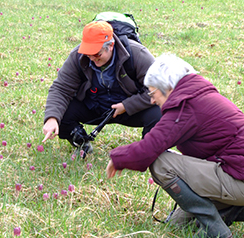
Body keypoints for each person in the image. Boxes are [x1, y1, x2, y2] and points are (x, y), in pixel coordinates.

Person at [106, 54, 244, 238]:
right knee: (177, 225)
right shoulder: (196, 96)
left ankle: (215, 231)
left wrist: (118, 158)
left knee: (160, 162)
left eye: (152, 93)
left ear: (168, 87)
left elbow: (149, 149)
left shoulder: (185, 106)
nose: (152, 101)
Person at [42, 21, 161, 154]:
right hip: (94, 106)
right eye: (88, 54)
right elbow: (61, 88)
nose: (92, 58)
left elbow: (158, 89)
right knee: (59, 111)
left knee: (158, 112)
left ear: (110, 46)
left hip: (129, 109)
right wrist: (52, 118)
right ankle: (81, 144)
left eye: (97, 54)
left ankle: (150, 153)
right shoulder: (78, 56)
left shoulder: (138, 53)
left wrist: (127, 105)